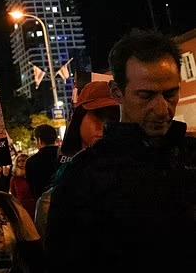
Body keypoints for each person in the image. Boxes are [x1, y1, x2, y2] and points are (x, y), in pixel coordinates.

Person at [45, 30, 196, 272]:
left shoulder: (190, 156)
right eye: (145, 96)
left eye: (170, 94)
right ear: (117, 92)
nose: (161, 108)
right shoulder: (82, 176)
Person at [33, 81, 120, 238]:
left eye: (114, 119)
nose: (106, 126)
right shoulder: (52, 199)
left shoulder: (137, 177)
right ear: (80, 119)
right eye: (99, 116)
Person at [25, 124, 59, 198]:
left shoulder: (31, 162)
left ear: (39, 140)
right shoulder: (66, 156)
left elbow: (32, 189)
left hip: (45, 204)